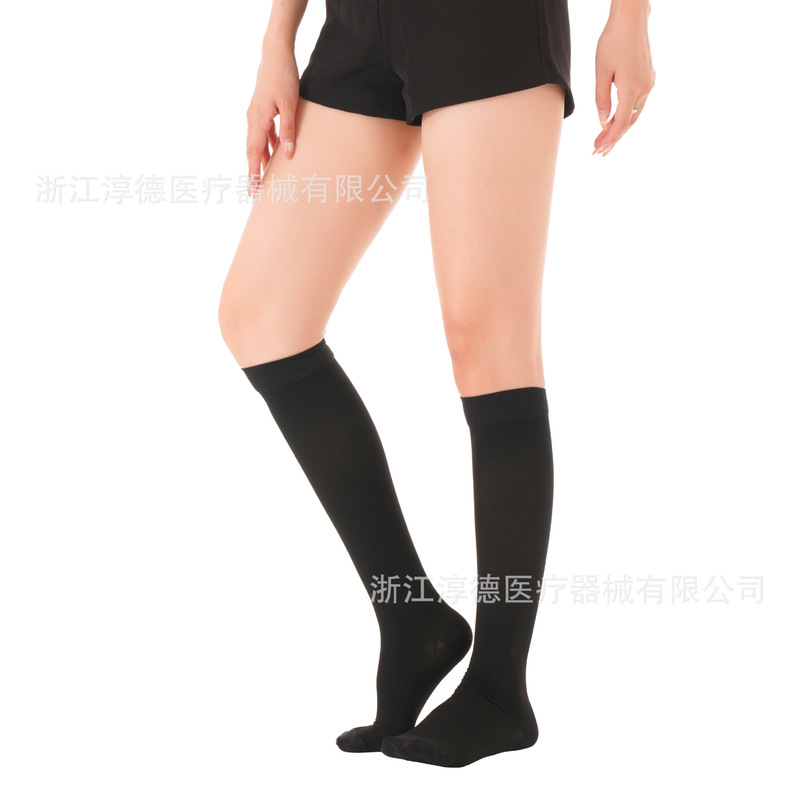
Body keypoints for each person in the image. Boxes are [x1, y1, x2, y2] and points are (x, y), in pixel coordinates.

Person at [218, 0, 655, 768]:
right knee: (261, 320)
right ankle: (412, 617)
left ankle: (499, 690)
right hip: (358, 24)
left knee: (489, 340)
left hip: (488, 21)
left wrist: (631, 18)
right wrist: (276, 40)